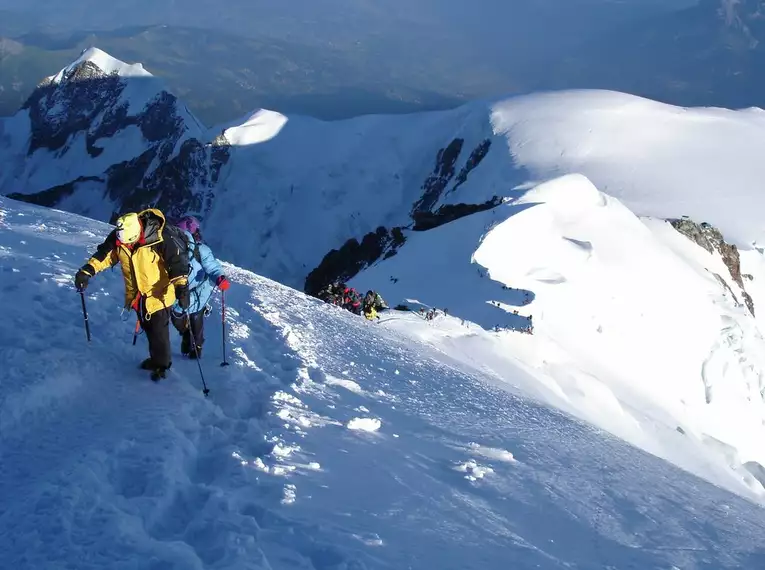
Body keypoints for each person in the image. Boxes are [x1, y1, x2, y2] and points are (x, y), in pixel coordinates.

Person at [74, 209, 190, 380]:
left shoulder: (161, 237)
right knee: (148, 328)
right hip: (137, 296)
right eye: (124, 244)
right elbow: (106, 256)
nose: (125, 246)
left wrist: (181, 287)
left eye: (129, 242)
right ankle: (157, 358)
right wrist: (87, 271)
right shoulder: (119, 237)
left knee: (158, 332)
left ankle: (161, 365)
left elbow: (177, 263)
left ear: (137, 233)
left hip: (159, 296)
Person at [170, 216, 230, 359]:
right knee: (184, 322)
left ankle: (196, 348)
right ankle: (187, 335)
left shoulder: (200, 250)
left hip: (197, 296)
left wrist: (219, 277)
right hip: (182, 295)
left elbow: (212, 267)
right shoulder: (173, 250)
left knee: (192, 323)